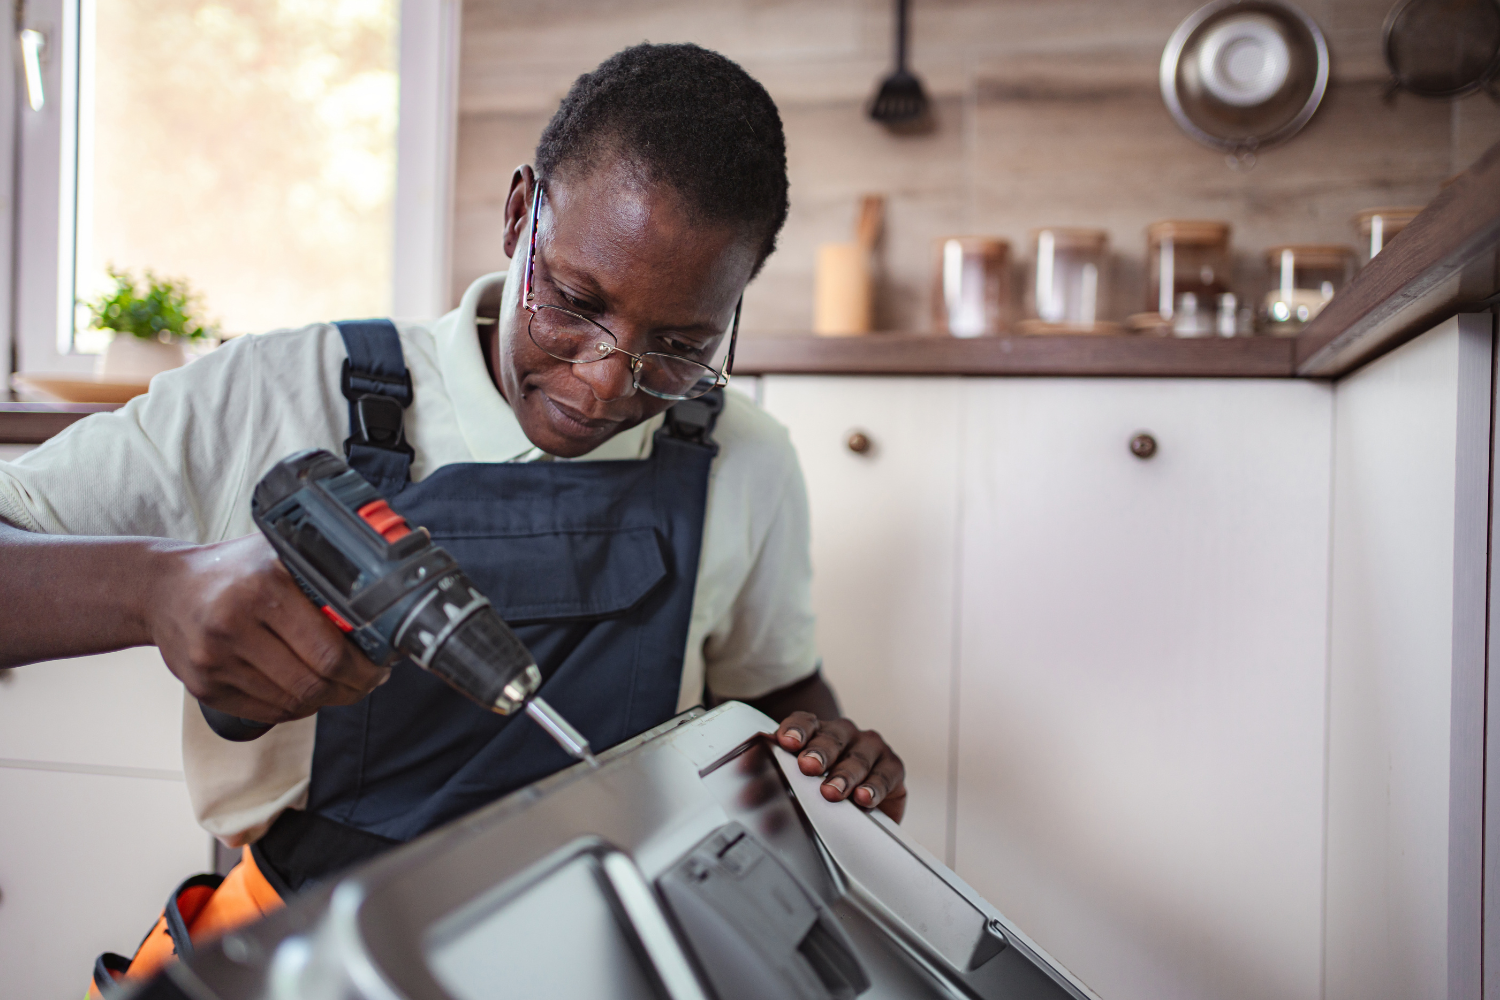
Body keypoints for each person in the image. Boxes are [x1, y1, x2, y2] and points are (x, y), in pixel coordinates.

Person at [0, 42, 906, 991]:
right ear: (521, 215)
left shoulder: (743, 459)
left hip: (599, 961)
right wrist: (154, 589)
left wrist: (830, 764)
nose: (601, 386)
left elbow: (777, 693)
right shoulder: (281, 392)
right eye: (575, 301)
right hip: (311, 959)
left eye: (678, 346)